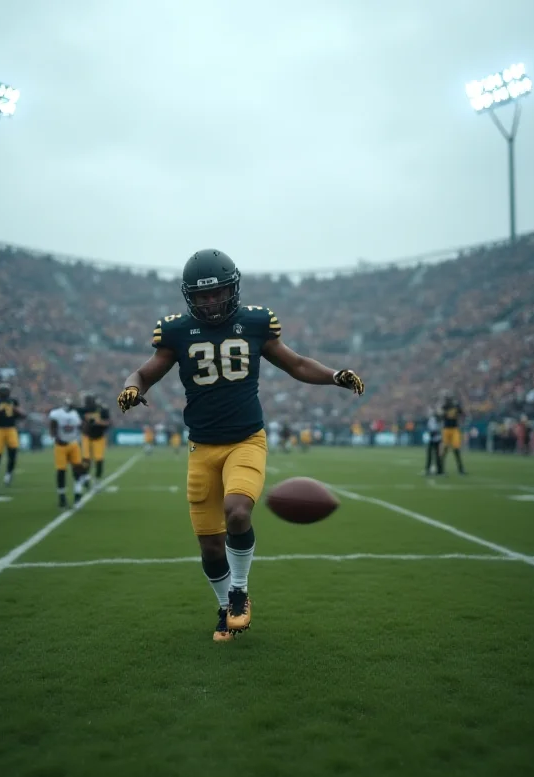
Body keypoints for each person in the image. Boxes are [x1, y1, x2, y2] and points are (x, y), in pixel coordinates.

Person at [117, 249, 364, 642]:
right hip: (201, 448)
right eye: (203, 296)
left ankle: (239, 593)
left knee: (237, 511)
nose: (211, 301)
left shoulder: (254, 322)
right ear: (189, 297)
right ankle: (223, 609)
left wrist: (335, 375)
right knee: (211, 547)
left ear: (232, 289)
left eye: (217, 293)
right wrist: (132, 387)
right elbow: (145, 372)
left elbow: (296, 364)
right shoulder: (177, 331)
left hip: (246, 439)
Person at [49, 398, 84, 509]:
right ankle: (62, 497)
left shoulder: (76, 414)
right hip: (61, 445)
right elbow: (52, 425)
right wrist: (54, 436)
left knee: (77, 470)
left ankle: (77, 495)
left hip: (73, 444)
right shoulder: (57, 414)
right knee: (61, 471)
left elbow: (81, 427)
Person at [0, 383, 26, 490]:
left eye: (6, 390)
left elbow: (22, 414)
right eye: (3, 390)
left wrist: (15, 410)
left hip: (10, 428)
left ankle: (8, 475)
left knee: (13, 452)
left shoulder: (13, 401)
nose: (4, 392)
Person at [77, 393, 110, 490]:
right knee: (86, 459)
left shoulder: (102, 409)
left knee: (99, 460)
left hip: (99, 438)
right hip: (87, 436)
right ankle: (85, 477)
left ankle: (97, 481)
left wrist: (99, 422)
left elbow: (108, 423)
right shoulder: (83, 410)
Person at [440, 391, 467, 475]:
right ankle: (441, 468)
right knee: (445, 449)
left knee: (456, 448)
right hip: (446, 429)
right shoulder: (445, 406)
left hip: (454, 429)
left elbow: (463, 414)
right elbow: (441, 416)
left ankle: (460, 468)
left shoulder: (454, 406)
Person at [423, 407, 443, 476]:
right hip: (433, 438)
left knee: (436, 455)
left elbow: (436, 429)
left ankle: (439, 470)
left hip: (437, 438)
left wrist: (433, 432)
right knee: (431, 455)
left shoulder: (437, 419)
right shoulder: (433, 419)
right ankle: (429, 469)